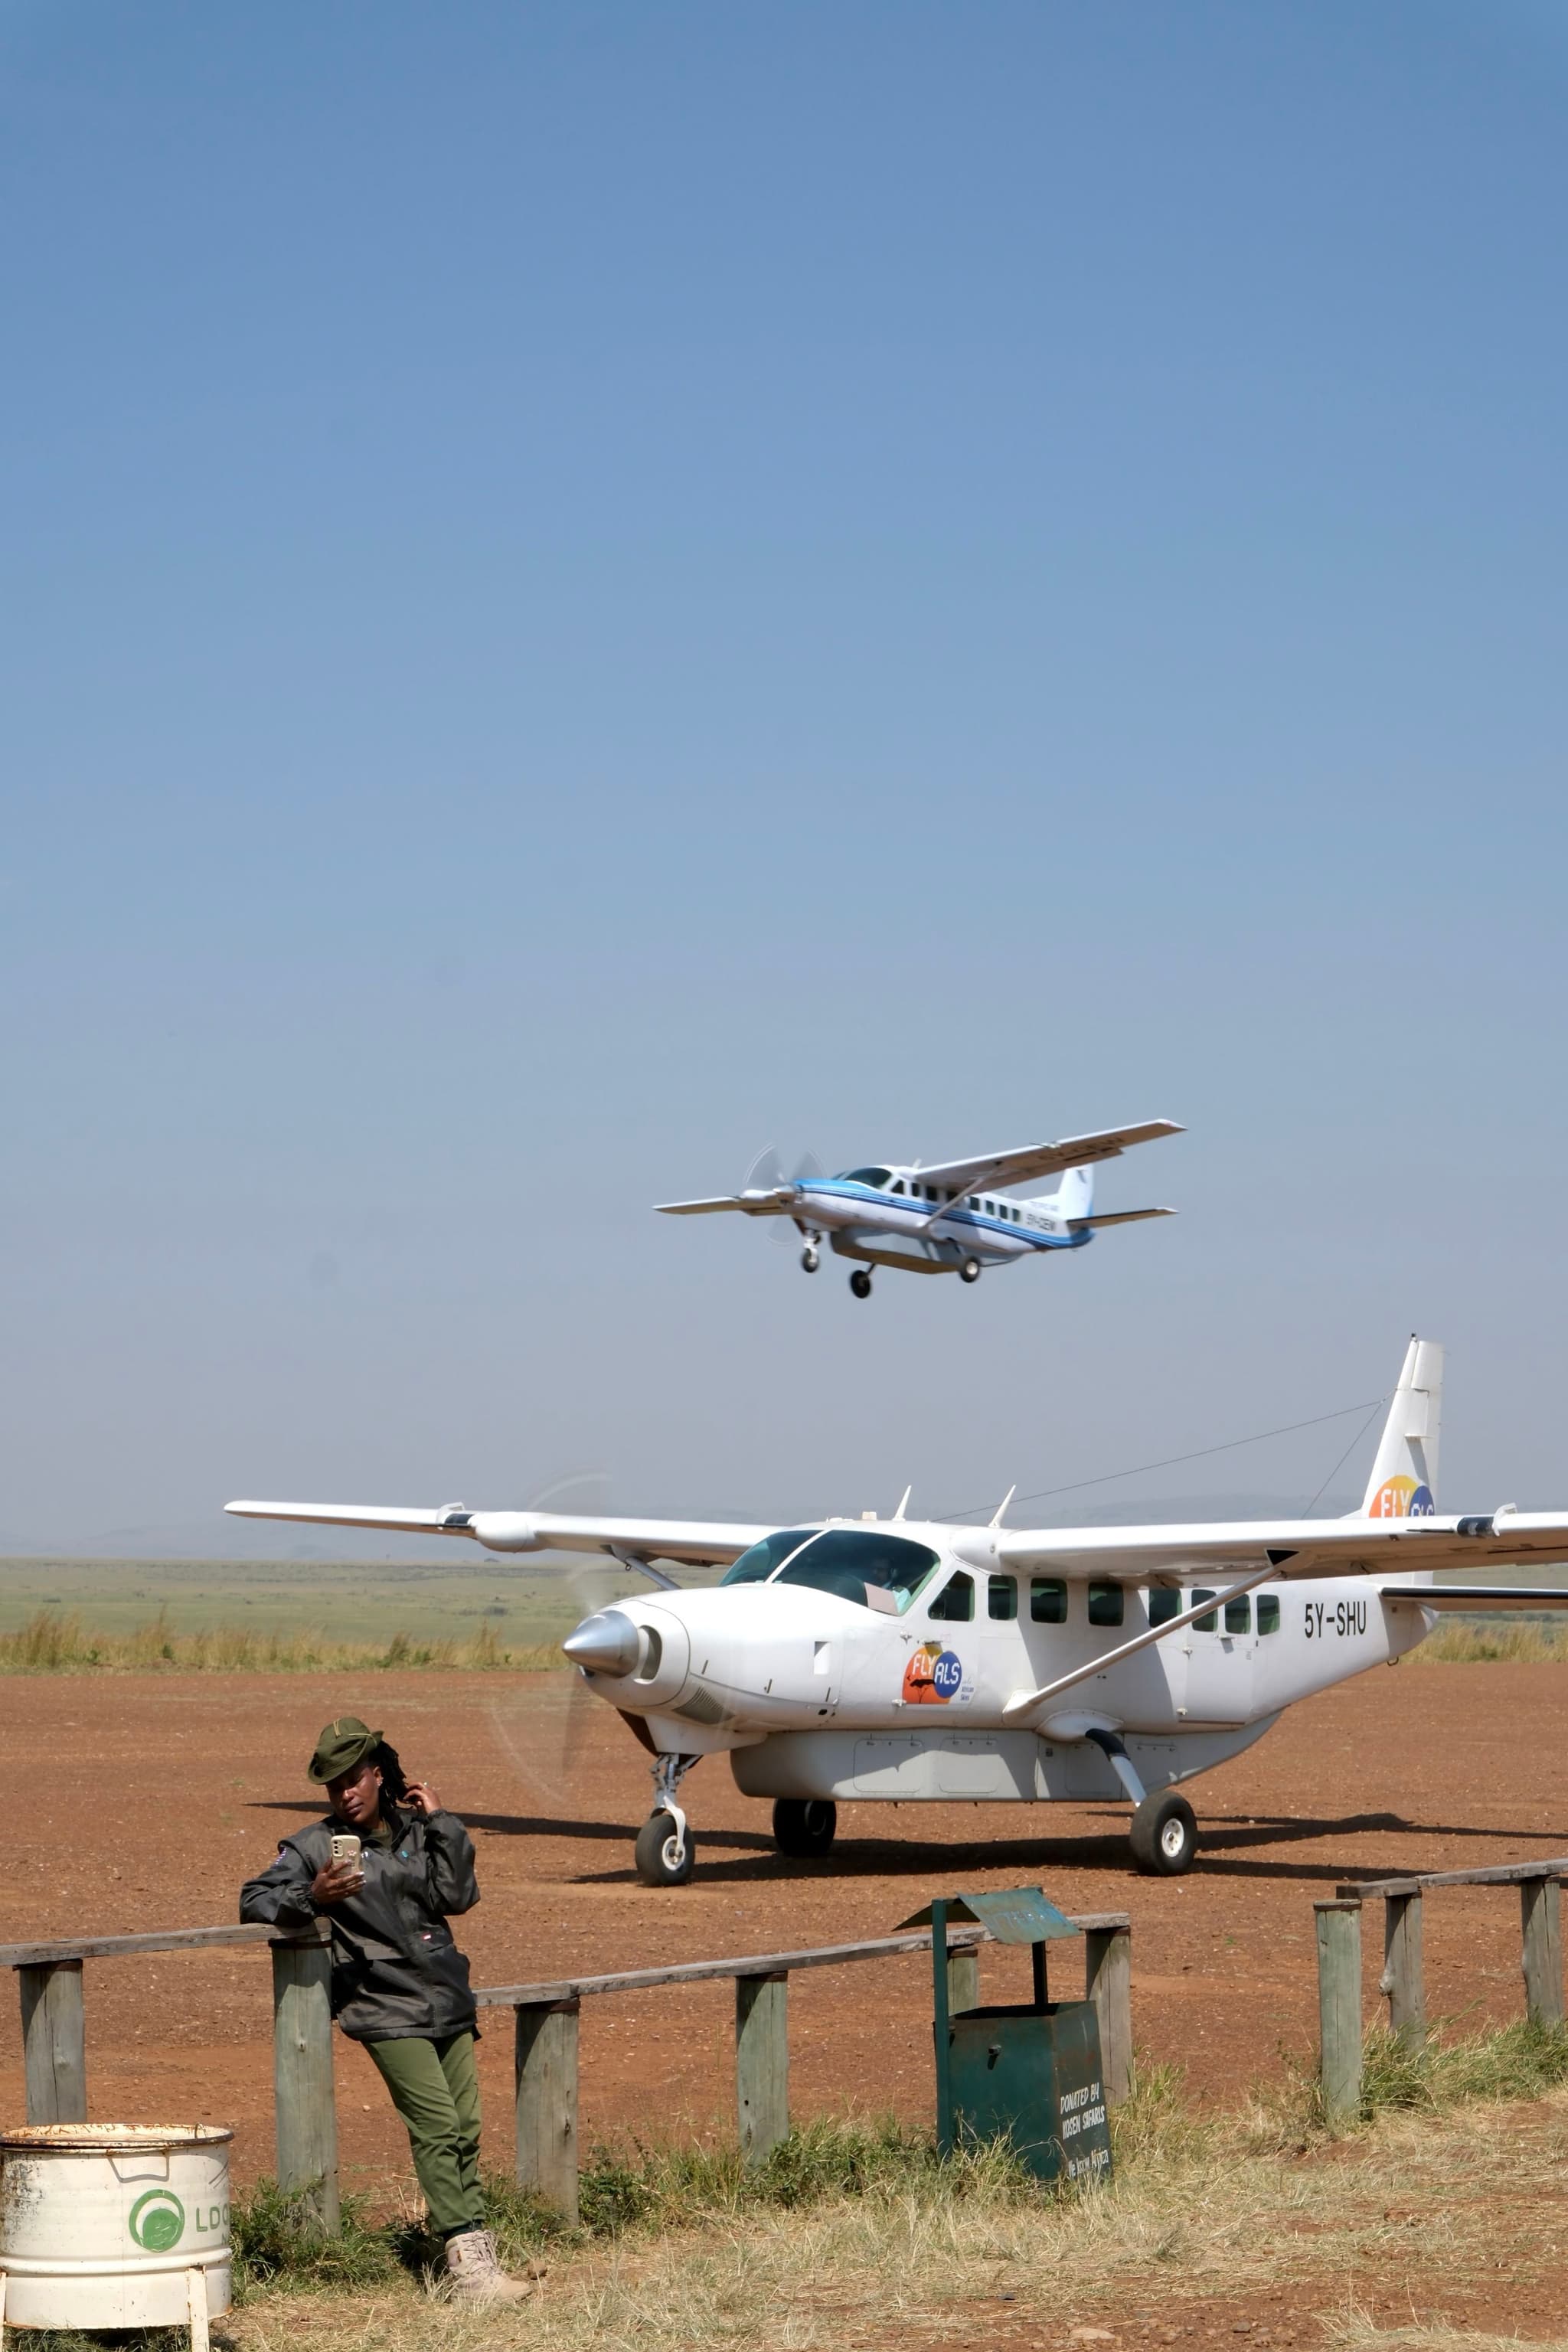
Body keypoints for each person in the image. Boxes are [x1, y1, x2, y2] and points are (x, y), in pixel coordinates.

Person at [240, 1715, 531, 2303]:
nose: (343, 1793)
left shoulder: (417, 1833)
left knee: (467, 2129)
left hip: (445, 1996)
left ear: (377, 1775)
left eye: (352, 1779)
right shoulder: (314, 1845)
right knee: (438, 2126)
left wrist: (442, 1822)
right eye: (332, 1785)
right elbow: (254, 1898)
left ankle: (472, 2252)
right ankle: (469, 2267)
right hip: (382, 2005)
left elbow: (457, 1896)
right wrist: (312, 1895)